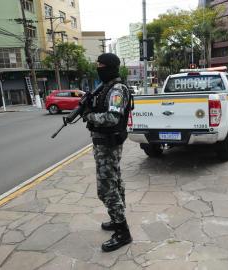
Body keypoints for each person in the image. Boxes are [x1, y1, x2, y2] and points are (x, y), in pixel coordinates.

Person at [83, 53, 132, 252]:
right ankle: (116, 218)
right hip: (104, 144)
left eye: (101, 66)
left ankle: (123, 232)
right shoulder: (106, 87)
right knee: (115, 181)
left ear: (110, 67)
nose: (98, 69)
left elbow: (112, 117)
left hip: (109, 145)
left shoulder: (117, 90)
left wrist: (90, 116)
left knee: (106, 188)